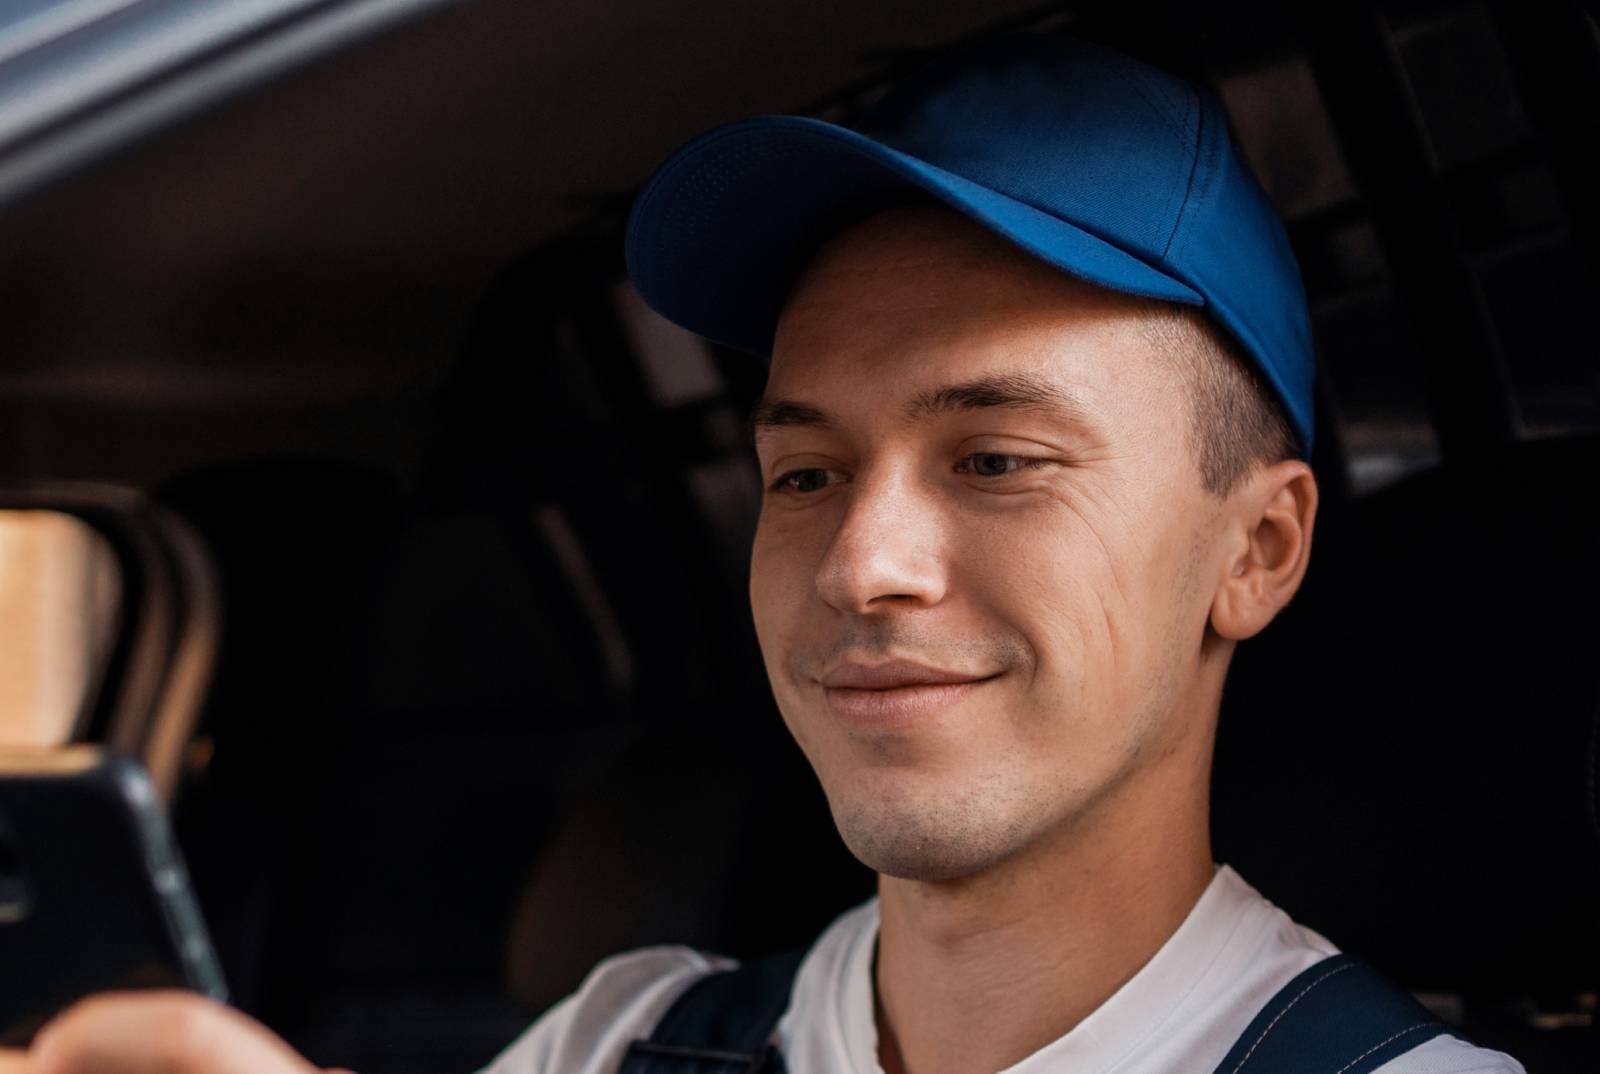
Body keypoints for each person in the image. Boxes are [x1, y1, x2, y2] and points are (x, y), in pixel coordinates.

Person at [0, 32, 1523, 1074]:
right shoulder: (629, 1035)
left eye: (996, 459)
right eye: (804, 470)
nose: (863, 561)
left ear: (1255, 549)